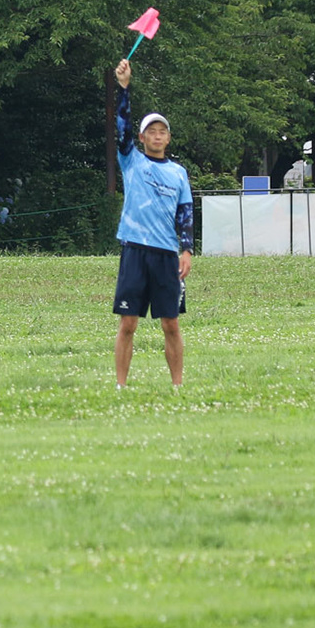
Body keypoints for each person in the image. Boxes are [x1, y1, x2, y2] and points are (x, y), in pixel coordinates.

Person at [111, 58, 193, 387]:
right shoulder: (131, 160)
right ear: (142, 137)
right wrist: (124, 88)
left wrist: (186, 250)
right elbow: (121, 127)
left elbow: (185, 213)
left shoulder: (178, 173)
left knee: (171, 324)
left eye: (162, 132)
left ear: (168, 139)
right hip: (135, 249)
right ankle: (121, 386)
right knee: (128, 323)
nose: (157, 136)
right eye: (151, 132)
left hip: (166, 254)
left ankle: (177, 386)